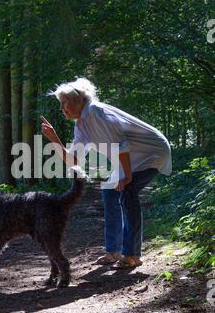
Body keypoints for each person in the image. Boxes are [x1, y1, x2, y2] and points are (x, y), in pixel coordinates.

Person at [40, 77, 172, 269]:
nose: (62, 109)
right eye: (60, 104)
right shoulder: (81, 124)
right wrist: (54, 138)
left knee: (128, 190)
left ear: (78, 101)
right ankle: (113, 251)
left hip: (152, 152)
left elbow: (121, 144)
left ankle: (132, 255)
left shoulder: (95, 111)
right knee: (109, 191)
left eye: (64, 103)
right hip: (130, 156)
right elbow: (74, 160)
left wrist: (127, 176)